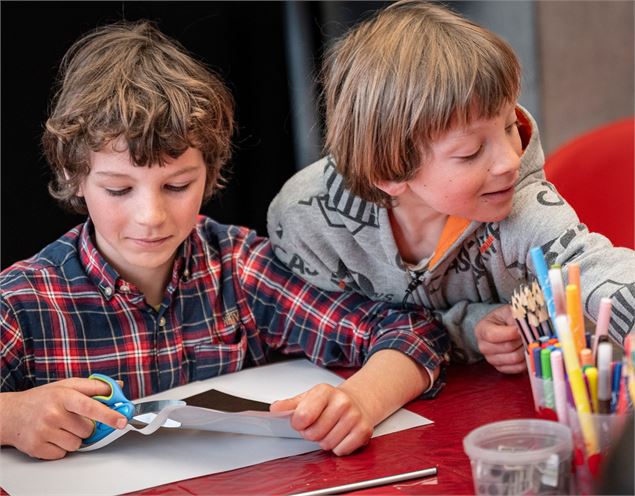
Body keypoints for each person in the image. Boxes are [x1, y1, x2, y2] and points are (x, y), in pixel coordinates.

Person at [0, 20, 450, 461]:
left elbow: (411, 331)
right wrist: (13, 416)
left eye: (177, 186)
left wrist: (361, 400)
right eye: (119, 190)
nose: (151, 216)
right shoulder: (25, 300)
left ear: (209, 174)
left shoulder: (236, 266)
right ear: (74, 176)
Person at [267, 0, 635, 372]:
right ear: (391, 174)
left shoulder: (522, 204)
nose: (510, 160)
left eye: (510, 127)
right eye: (471, 152)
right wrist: (467, 328)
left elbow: (588, 264)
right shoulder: (305, 220)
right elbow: (325, 323)